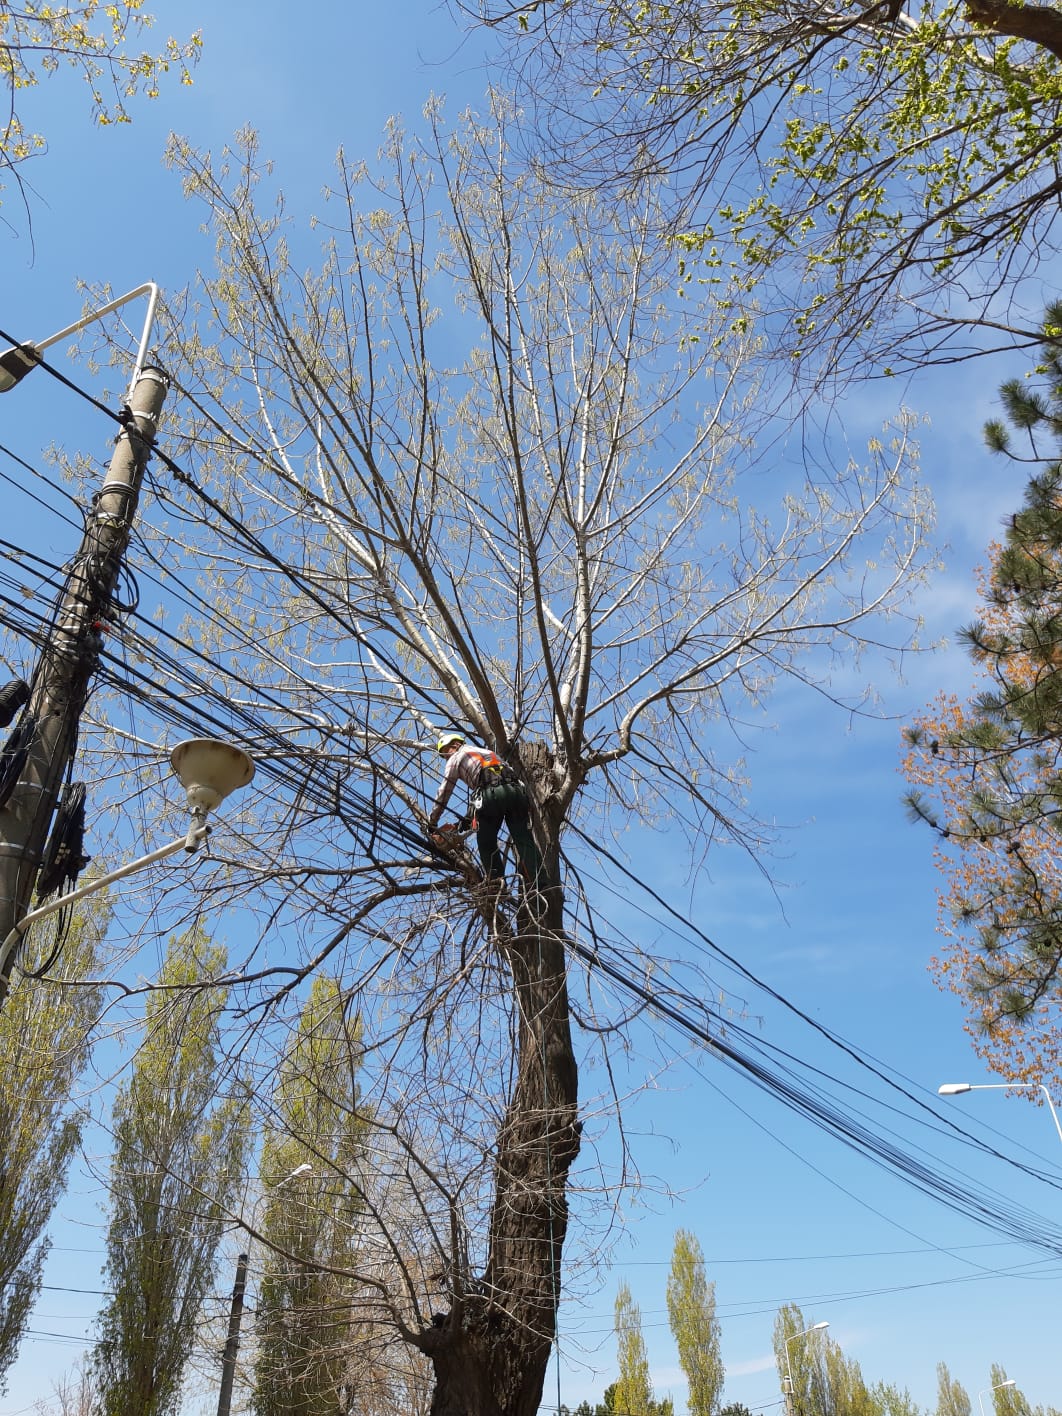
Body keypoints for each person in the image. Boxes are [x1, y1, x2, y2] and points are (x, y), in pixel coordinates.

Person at [427, 733, 541, 883]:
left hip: (491, 793)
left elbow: (445, 790)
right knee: (524, 840)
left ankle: (496, 883)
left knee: (486, 841)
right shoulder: (488, 752)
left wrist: (432, 821)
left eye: (446, 754)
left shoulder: (456, 757)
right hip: (516, 792)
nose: (446, 759)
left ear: (455, 745)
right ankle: (541, 882)